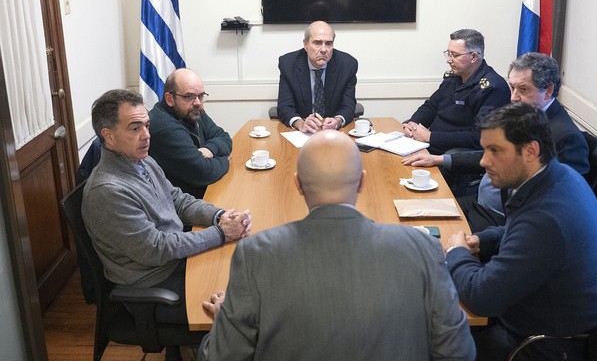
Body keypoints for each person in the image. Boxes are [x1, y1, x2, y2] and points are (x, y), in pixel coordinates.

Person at [197, 130, 476, 361]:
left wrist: (228, 321)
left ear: (298, 185)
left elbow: (224, 357)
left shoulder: (256, 253)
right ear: (362, 182)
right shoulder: (423, 248)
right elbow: (458, 353)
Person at [445, 103, 597, 361]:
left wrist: (456, 253)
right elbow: (518, 231)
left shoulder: (547, 218)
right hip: (549, 323)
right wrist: (482, 239)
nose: (483, 161)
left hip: (539, 346)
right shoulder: (558, 176)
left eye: (495, 151)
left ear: (530, 151)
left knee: (433, 334)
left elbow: (482, 297)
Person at [82, 89, 252, 329]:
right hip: (156, 285)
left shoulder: (142, 160)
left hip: (177, 262)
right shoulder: (108, 191)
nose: (146, 135)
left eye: (147, 126)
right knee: (249, 309)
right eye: (135, 128)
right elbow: (156, 249)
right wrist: (222, 233)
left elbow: (178, 200)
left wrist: (219, 215)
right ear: (108, 136)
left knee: (251, 271)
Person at [403, 53, 589, 230]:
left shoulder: (565, 137)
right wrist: (440, 159)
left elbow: (557, 208)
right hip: (479, 203)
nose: (513, 97)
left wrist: (483, 240)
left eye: (523, 89)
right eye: (512, 88)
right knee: (411, 214)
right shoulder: (527, 116)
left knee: (428, 240)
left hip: (499, 220)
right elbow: (495, 156)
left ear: (547, 91)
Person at [402, 28, 510, 155]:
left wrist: (431, 137)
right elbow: (431, 106)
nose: (448, 60)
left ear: (474, 57)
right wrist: (413, 124)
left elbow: (479, 137)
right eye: (448, 53)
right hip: (427, 146)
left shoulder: (493, 88)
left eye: (455, 55)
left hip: (451, 156)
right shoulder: (453, 77)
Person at [148, 68, 232, 199]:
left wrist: (210, 149)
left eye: (201, 95)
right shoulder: (164, 127)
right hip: (182, 206)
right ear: (170, 99)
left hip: (205, 193)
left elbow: (224, 137)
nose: (197, 102)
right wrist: (225, 160)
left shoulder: (193, 111)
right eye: (188, 96)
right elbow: (202, 172)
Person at [277, 20, 358, 133]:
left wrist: (337, 121)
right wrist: (300, 124)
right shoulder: (288, 64)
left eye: (328, 43)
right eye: (317, 43)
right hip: (302, 134)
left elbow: (348, 105)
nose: (324, 50)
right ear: (306, 45)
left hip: (333, 134)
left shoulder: (347, 65)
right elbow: (284, 106)